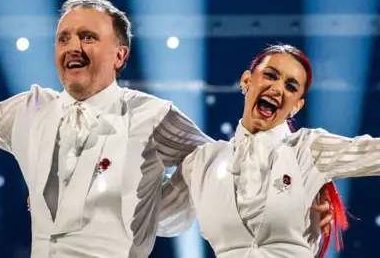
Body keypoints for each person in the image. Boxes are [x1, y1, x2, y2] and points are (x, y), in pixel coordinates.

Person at [0, 0, 333, 258]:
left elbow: (223, 170)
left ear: (120, 56)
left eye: (88, 37)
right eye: (65, 37)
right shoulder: (28, 110)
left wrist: (299, 217)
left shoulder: (154, 116)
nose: (73, 46)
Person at [158, 44, 380, 257]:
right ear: (246, 80)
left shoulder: (309, 149)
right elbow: (153, 218)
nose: (277, 88)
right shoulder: (202, 161)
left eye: (291, 86)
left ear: (296, 105)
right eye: (271, 75)